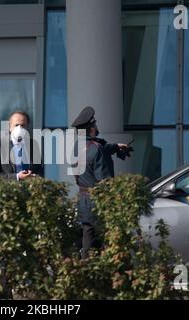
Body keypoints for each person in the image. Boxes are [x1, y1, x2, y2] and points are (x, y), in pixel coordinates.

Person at [71, 106, 132, 258]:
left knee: (88, 238)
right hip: (98, 202)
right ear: (91, 128)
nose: (97, 127)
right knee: (104, 244)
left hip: (84, 199)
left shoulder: (77, 146)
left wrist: (115, 147)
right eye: (95, 125)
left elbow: (98, 148)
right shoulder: (97, 149)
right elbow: (105, 182)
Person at [0, 111, 43, 180]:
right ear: (9, 126)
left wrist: (34, 177)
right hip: (8, 189)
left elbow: (39, 171)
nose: (19, 128)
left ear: (27, 126)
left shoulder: (33, 145)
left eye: (23, 125)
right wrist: (17, 177)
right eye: (16, 125)